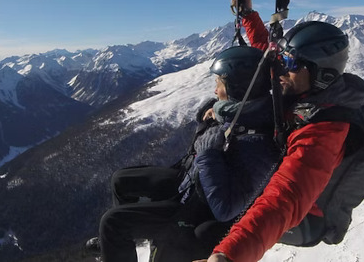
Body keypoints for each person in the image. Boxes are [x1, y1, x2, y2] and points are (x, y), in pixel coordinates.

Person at [195, 0, 364, 262]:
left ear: (318, 73)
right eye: (283, 60)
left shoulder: (326, 130)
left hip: (300, 217)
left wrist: (229, 256)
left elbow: (284, 197)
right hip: (264, 178)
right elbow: (268, 54)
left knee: (198, 232)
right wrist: (248, 15)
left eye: (289, 63)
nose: (279, 69)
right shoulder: (299, 84)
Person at [89, 45, 280, 262]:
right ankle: (129, 240)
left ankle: (120, 238)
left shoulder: (259, 145)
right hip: (188, 183)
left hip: (193, 209)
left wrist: (208, 154)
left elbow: (225, 209)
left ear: (238, 88)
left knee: (112, 223)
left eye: (219, 84)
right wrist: (212, 117)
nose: (215, 91)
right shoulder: (239, 112)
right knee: (121, 181)